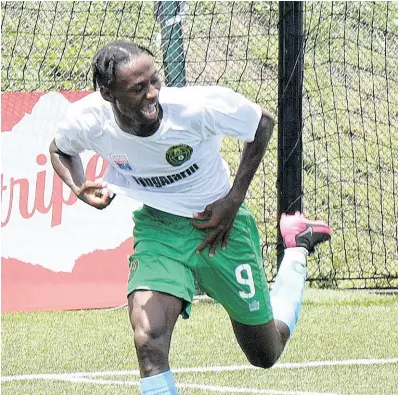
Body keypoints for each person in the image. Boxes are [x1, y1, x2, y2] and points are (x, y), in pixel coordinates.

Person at [49, 40, 332, 395]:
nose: (152, 94)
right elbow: (60, 149)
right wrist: (78, 186)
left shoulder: (195, 107)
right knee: (148, 339)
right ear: (108, 93)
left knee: (265, 353)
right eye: (138, 88)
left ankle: (296, 247)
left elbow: (261, 124)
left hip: (220, 227)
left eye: (155, 80)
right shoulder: (88, 119)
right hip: (160, 229)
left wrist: (233, 199)